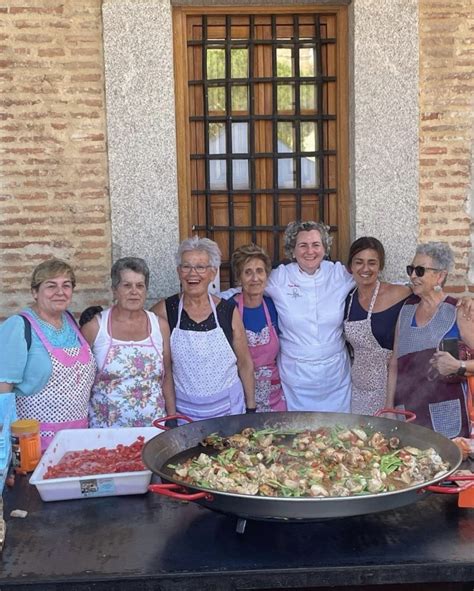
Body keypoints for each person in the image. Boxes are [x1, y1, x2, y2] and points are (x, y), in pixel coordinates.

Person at [152, 237, 255, 421]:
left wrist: (251, 410)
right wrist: (171, 415)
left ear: (212, 273)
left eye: (200, 267)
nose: (193, 274)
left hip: (228, 412)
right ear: (178, 272)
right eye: (186, 267)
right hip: (185, 415)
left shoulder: (227, 311)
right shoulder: (166, 310)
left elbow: (244, 362)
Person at [0, 259, 96, 451]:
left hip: (78, 439)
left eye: (66, 286)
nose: (60, 292)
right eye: (51, 286)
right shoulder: (19, 326)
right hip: (34, 443)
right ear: (35, 292)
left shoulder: (70, 321)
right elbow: (3, 391)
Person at [265, 221, 355, 412]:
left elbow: (370, 280)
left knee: (338, 433)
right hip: (295, 375)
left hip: (335, 375)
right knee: (300, 434)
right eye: (303, 245)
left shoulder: (338, 273)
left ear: (324, 247)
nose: (310, 251)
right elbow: (248, 288)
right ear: (292, 250)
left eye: (316, 245)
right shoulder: (280, 277)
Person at [387, 242, 474, 438]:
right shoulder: (406, 310)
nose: (413, 276)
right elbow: (394, 363)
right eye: (411, 269)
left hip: (447, 419)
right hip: (407, 415)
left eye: (420, 270)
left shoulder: (457, 311)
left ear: (440, 276)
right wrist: (389, 407)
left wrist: (458, 366)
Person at [81, 257, 175, 428]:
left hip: (154, 429)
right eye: (126, 285)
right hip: (105, 430)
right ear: (114, 290)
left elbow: (167, 375)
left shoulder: (160, 326)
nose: (134, 291)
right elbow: (81, 381)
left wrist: (172, 417)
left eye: (140, 286)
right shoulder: (95, 327)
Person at [343, 237, 411, 415]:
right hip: (358, 390)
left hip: (391, 388)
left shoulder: (400, 293)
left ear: (380, 267)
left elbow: (431, 299)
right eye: (359, 262)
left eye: (372, 263)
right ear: (350, 266)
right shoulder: (348, 299)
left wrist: (464, 302)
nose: (365, 269)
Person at [230, 244, 286, 413]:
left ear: (267, 275)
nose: (255, 278)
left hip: (274, 396)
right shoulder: (229, 309)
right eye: (248, 272)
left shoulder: (274, 306)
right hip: (241, 396)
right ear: (239, 278)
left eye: (260, 271)